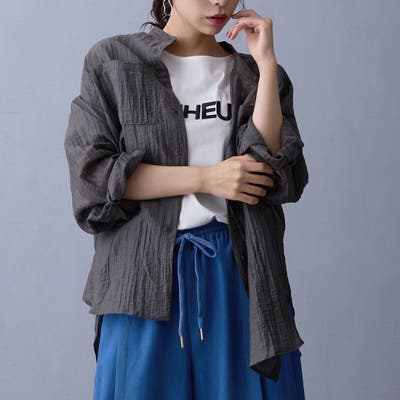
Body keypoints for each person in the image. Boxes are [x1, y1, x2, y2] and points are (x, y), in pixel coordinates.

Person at [64, 0, 307, 399]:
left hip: (238, 270)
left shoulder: (255, 75)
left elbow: (269, 173)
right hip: (141, 274)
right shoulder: (114, 61)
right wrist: (208, 178)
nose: (220, 2)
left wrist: (266, 65)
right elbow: (95, 176)